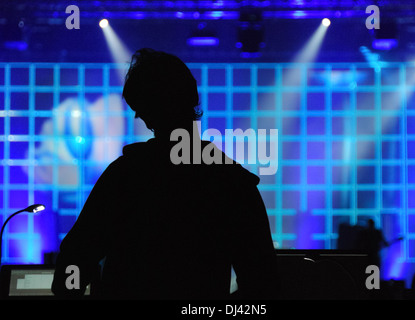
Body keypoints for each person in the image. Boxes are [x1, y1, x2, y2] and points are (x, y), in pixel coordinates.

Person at [51, 48, 279, 300]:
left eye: (138, 106)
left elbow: (75, 259)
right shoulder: (234, 183)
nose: (136, 115)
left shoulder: (124, 176)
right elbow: (262, 282)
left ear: (146, 110)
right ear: (191, 99)